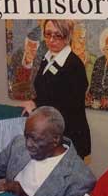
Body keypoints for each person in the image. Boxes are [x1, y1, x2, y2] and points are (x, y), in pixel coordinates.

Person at [22, 19, 92, 159]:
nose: (51, 40)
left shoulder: (74, 65)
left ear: (67, 37)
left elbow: (67, 106)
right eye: (48, 34)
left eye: (57, 35)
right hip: (50, 133)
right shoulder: (47, 58)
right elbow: (47, 92)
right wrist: (34, 101)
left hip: (69, 137)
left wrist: (36, 108)